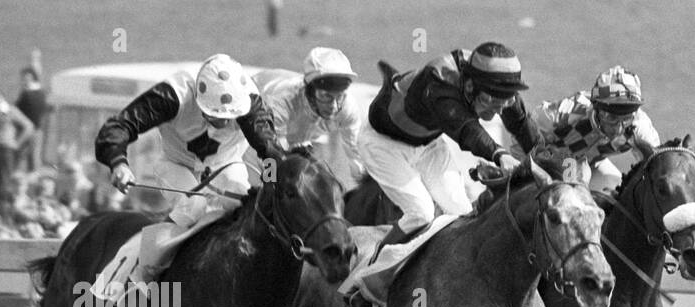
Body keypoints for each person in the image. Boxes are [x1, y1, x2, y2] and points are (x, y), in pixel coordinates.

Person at [95, 53, 284, 286]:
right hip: (175, 165)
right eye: (216, 117)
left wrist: (273, 183)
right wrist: (118, 163)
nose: (224, 123)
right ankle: (145, 274)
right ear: (198, 100)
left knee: (242, 204)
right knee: (194, 206)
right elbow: (120, 125)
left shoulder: (249, 100)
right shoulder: (173, 95)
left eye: (230, 117)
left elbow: (270, 151)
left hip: (227, 164)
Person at [358, 42, 539, 249]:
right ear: (470, 85)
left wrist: (547, 161)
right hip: (383, 145)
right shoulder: (438, 83)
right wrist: (501, 155)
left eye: (506, 100)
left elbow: (522, 125)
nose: (499, 108)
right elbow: (467, 129)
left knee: (461, 213)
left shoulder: (497, 85)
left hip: (428, 144)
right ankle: (372, 269)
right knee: (421, 214)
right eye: (491, 99)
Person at [254, 47, 365, 196]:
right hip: (254, 121)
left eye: (339, 96)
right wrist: (269, 185)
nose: (333, 106)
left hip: (295, 131)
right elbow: (269, 150)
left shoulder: (347, 107)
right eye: (325, 96)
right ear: (310, 91)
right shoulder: (282, 102)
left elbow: (356, 155)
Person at [534, 65, 660, 191]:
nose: (618, 128)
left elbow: (656, 166)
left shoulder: (640, 127)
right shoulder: (564, 114)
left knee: (617, 195)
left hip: (589, 165)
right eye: (611, 118)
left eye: (626, 118)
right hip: (546, 163)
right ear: (596, 109)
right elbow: (524, 132)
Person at [0, 90, 33, 220]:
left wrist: (17, 143)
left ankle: (8, 210)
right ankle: (0, 208)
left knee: (5, 179)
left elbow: (28, 126)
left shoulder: (10, 111)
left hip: (6, 148)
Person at [14, 67, 50, 172]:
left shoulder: (26, 94)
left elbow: (17, 110)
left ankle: (18, 179)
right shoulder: (42, 93)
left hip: (25, 130)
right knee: (34, 159)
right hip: (37, 130)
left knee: (19, 157)